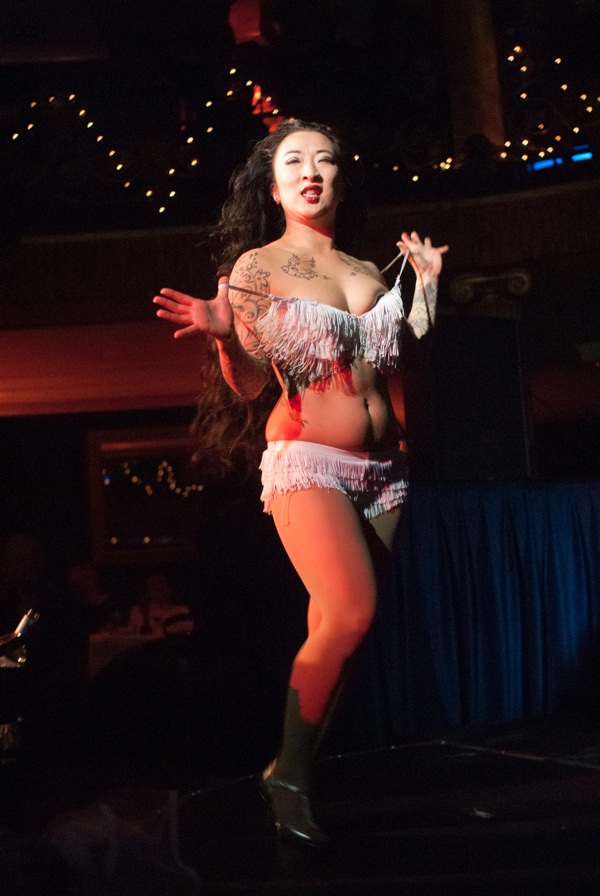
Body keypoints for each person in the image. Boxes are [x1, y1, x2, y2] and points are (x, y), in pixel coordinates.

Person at [153, 118, 448, 844]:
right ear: (274, 186)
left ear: (341, 178)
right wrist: (226, 336)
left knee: (343, 630)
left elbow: (400, 344)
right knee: (351, 612)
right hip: (310, 460)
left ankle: (293, 768)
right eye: (294, 161)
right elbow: (253, 384)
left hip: (385, 470)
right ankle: (288, 775)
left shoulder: (366, 268)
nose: (311, 170)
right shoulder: (258, 268)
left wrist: (427, 290)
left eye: (324, 159)